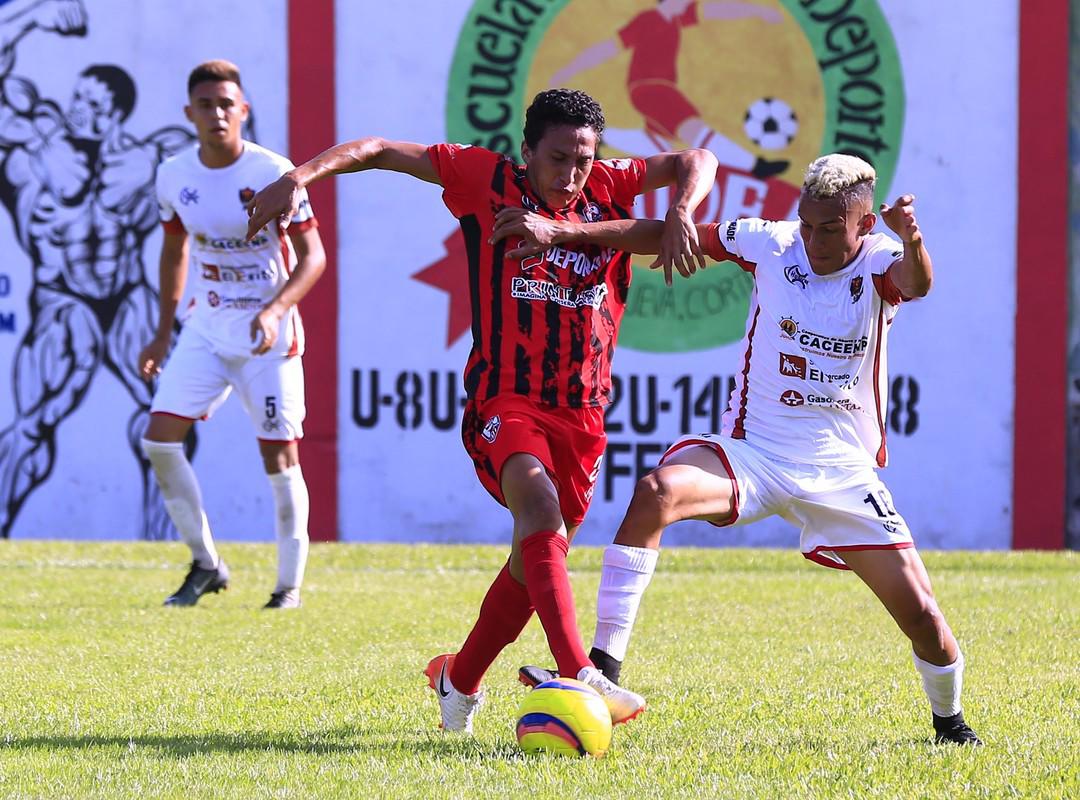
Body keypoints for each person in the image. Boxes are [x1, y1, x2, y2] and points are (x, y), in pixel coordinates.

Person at [246, 88, 718, 732]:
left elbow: (696, 158)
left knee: (532, 564)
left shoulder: (610, 183)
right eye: (557, 159)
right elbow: (380, 149)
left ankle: (457, 678)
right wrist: (297, 178)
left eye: (582, 159)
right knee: (540, 510)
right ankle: (582, 672)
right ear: (526, 153)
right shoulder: (485, 180)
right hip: (506, 399)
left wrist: (684, 212)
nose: (572, 174)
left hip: (583, 413)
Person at [503, 153, 982, 745]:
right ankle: (601, 670)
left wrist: (912, 240)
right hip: (753, 454)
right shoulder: (772, 244)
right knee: (656, 492)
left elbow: (917, 282)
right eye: (806, 223)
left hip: (838, 471)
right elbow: (665, 236)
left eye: (829, 229)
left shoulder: (884, 258)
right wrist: (563, 232)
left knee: (925, 620)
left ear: (864, 223)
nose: (812, 239)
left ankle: (950, 725)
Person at [0, 0, 194, 540]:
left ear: (114, 116)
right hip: (61, 297)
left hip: (125, 295)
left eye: (91, 103)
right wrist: (33, 15)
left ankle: (170, 548)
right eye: (77, 97)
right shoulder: (34, 147)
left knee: (168, 421)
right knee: (34, 426)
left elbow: (211, 150)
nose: (76, 109)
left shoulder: (144, 162)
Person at [138, 60, 326, 609]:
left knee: (279, 458)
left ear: (243, 110)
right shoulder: (174, 174)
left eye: (227, 104)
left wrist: (275, 311)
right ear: (189, 113)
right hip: (206, 327)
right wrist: (159, 334)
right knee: (158, 439)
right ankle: (206, 563)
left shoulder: (275, 172)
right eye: (207, 105)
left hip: (268, 338)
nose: (217, 114)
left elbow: (313, 257)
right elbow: (175, 251)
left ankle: (287, 587)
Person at [551, 0, 787, 177]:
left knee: (658, 146)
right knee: (695, 129)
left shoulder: (674, 20)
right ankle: (756, 167)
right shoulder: (650, 19)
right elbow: (607, 48)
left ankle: (602, 137)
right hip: (652, 89)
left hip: (654, 91)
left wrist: (757, 10)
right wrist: (568, 71)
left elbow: (716, 10)